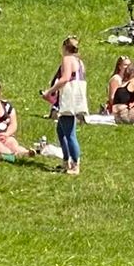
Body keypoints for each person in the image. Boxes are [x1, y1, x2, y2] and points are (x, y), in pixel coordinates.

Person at [45, 37, 86, 175]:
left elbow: (65, 77)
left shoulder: (67, 59)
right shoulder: (79, 61)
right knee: (61, 130)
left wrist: (50, 91)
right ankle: (66, 160)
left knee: (69, 133)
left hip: (69, 97)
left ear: (64, 47)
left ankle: (75, 164)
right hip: (77, 96)